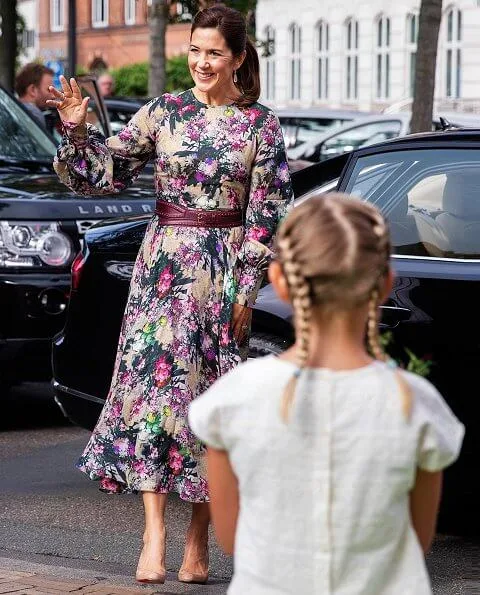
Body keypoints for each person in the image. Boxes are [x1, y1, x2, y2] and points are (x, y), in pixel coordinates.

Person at [46, 3, 293, 587]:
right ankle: (154, 534)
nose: (202, 62)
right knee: (153, 396)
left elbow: (268, 213)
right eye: (195, 50)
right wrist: (79, 128)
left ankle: (198, 537)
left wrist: (246, 285)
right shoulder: (164, 113)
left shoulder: (261, 125)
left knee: (210, 404)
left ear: (237, 58)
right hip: (161, 270)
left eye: (214, 52)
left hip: (221, 270)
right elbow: (99, 174)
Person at [189, 193, 465, 594]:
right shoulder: (414, 401)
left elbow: (231, 537)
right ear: (384, 283)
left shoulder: (234, 397)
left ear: (280, 281)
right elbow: (418, 538)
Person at [15, 63, 54, 130]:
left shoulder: (13, 109)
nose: (53, 96)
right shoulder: (34, 114)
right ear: (32, 90)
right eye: (49, 90)